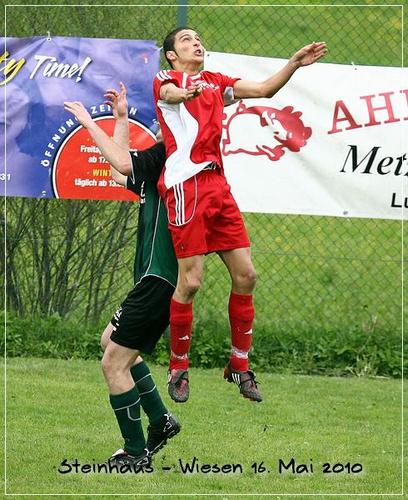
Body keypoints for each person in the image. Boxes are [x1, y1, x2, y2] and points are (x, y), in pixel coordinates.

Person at [153, 27, 327, 404]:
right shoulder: (167, 79)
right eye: (186, 40)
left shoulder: (216, 82)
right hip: (186, 187)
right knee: (191, 282)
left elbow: (263, 90)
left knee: (247, 275)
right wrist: (186, 93)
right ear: (172, 54)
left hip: (218, 185)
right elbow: (169, 95)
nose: (196, 43)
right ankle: (178, 366)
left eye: (198, 38)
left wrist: (294, 64)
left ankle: (239, 364)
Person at [64, 84, 180, 469]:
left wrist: (88, 122)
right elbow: (119, 172)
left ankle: (134, 452)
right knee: (109, 341)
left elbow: (123, 161)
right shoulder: (160, 169)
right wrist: (120, 119)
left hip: (158, 280)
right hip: (153, 281)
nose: (160, 128)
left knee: (113, 363)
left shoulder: (171, 161)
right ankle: (160, 420)